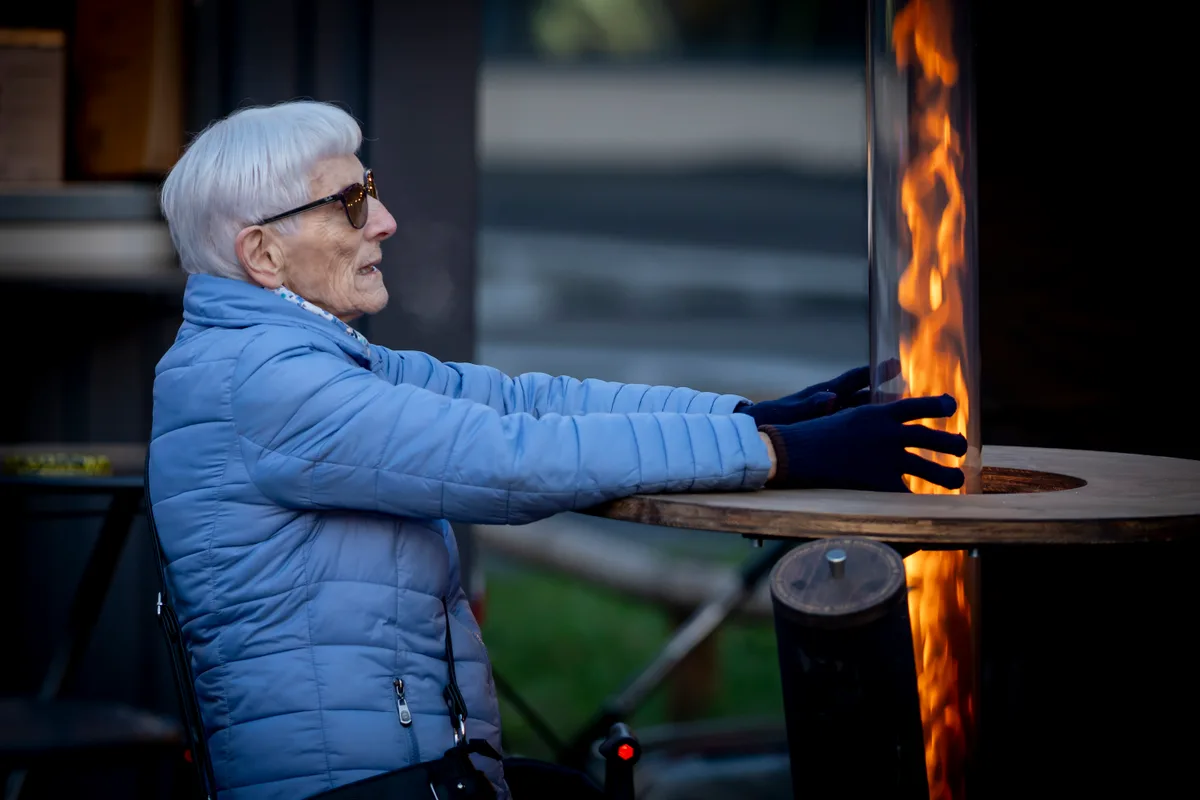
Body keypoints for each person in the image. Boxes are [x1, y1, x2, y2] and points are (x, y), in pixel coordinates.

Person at [148, 100, 967, 800]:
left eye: (371, 188)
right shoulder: (264, 382)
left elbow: (520, 403)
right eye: (351, 201)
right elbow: (509, 456)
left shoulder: (287, 358)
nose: (385, 218)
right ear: (263, 255)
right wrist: (780, 453)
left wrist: (750, 415)